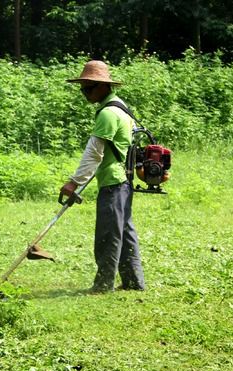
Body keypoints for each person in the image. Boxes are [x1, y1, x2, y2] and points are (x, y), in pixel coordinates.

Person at [61, 60, 145, 293]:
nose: (85, 94)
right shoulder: (121, 107)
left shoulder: (108, 113)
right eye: (82, 89)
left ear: (103, 86)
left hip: (113, 183)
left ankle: (103, 285)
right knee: (125, 233)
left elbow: (94, 153)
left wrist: (73, 183)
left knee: (109, 235)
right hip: (123, 182)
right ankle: (134, 282)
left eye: (89, 88)